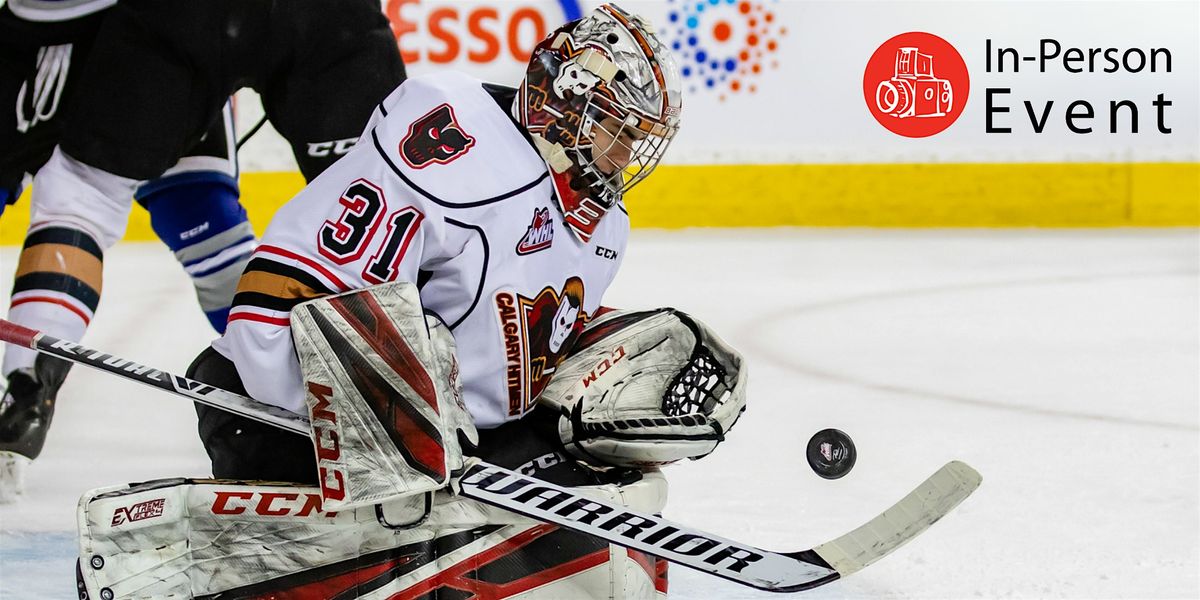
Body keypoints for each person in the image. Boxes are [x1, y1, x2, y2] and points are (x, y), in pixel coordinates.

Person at [160, 4, 744, 596]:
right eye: (621, 132)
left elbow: (516, 352)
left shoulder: (604, 230)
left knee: (611, 488)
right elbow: (289, 289)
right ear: (569, 104)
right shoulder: (457, 136)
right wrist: (395, 412)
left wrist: (599, 371)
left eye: (640, 140)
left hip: (454, 447)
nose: (628, 156)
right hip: (292, 421)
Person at [0, 0, 406, 496]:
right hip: (322, 17)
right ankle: (403, 412)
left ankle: (26, 382)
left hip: (154, 20)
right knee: (386, 201)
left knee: (85, 197)